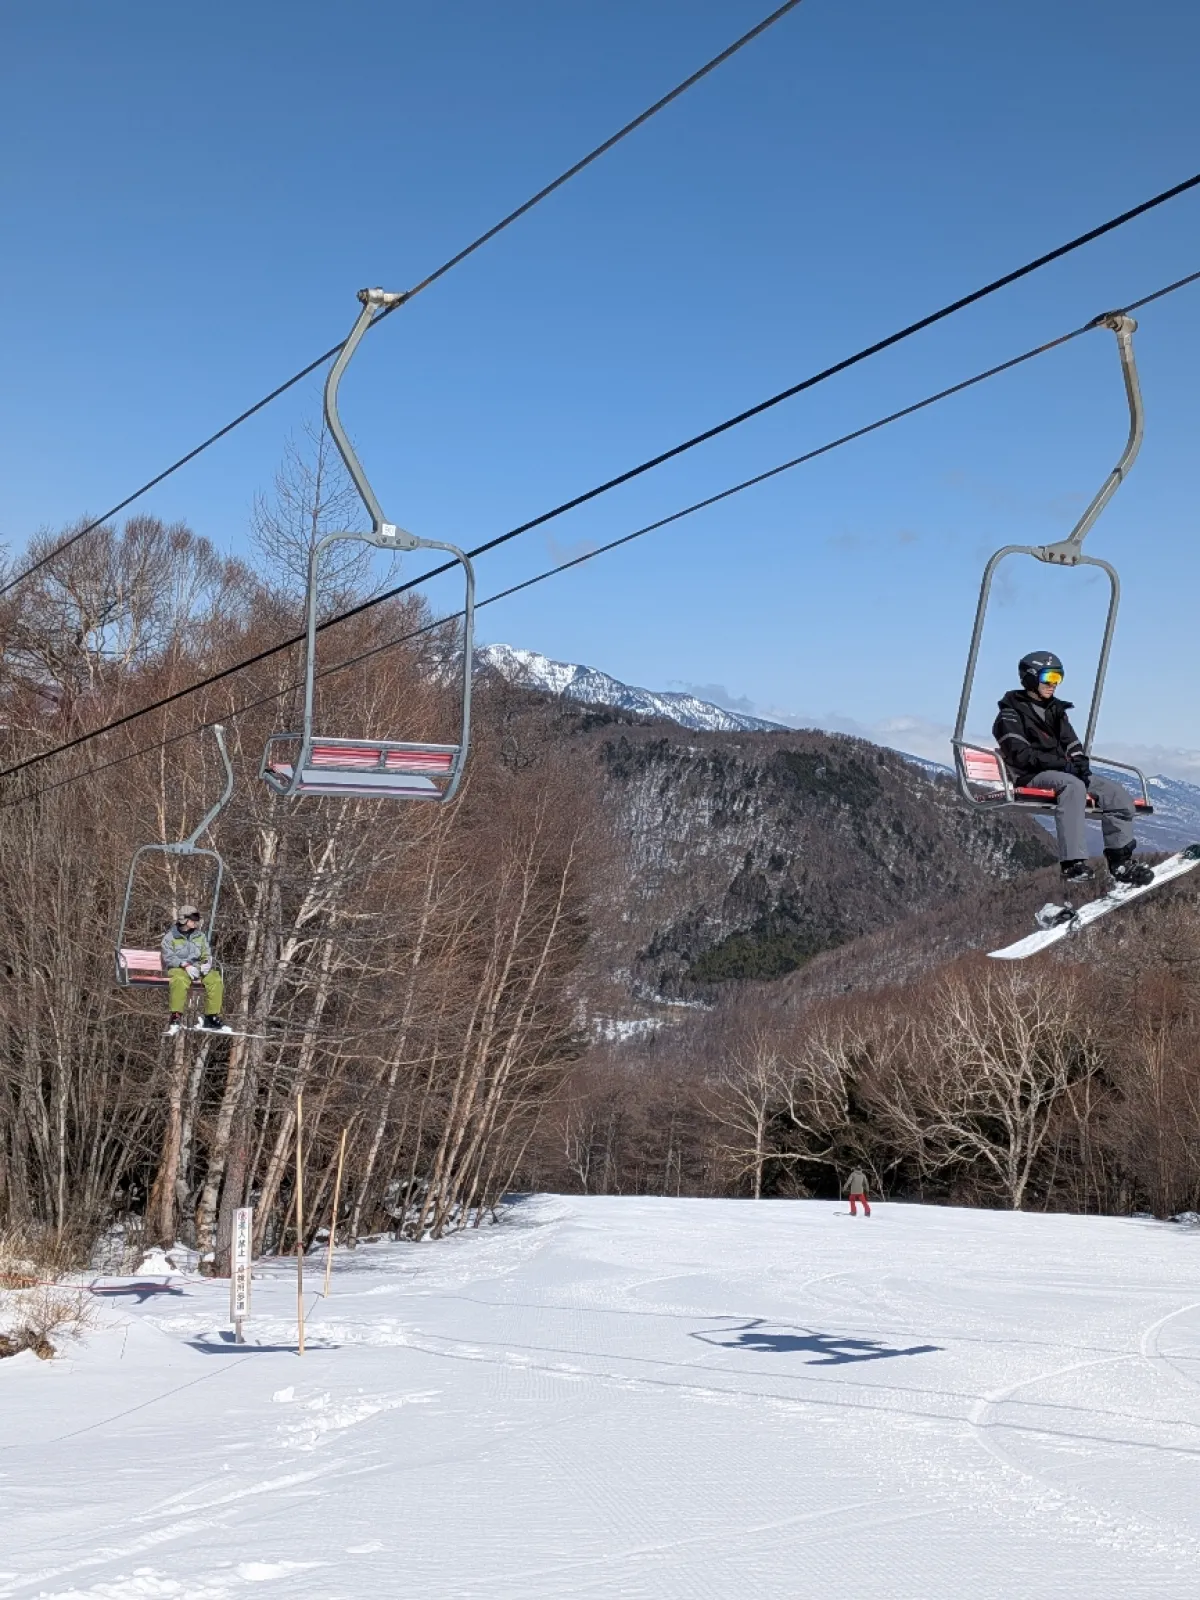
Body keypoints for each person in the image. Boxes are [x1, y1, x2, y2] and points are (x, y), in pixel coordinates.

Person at [993, 651, 1154, 887]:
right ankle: (1073, 863)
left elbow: (1073, 744)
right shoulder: (1010, 714)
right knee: (1073, 786)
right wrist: (1063, 765)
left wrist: (1079, 761)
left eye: (1059, 678)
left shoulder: (1057, 712)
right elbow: (1020, 754)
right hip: (1031, 775)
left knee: (1116, 793)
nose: (1053, 684)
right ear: (1030, 677)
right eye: (1048, 677)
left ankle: (1120, 862)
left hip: (1064, 772)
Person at [162, 904, 226, 1033]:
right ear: (184, 920)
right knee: (179, 980)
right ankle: (176, 1015)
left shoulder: (200, 936)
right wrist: (184, 965)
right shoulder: (170, 937)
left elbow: (206, 953)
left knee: (215, 979)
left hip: (198, 968)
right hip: (179, 968)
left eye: (196, 921)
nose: (195, 923)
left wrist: (206, 963)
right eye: (192, 920)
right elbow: (168, 957)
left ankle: (211, 1017)